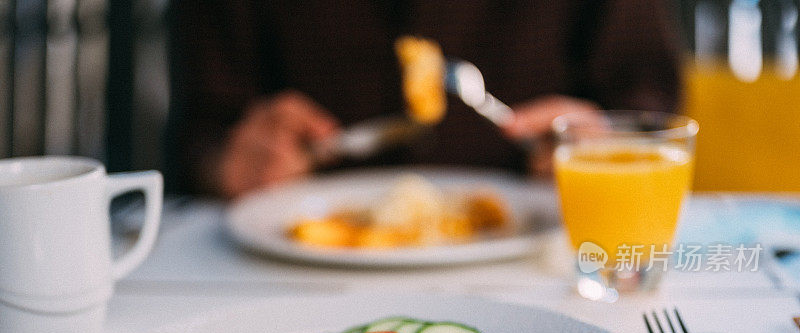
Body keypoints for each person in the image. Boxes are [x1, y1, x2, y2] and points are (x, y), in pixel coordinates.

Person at [166, 1, 682, 198]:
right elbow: (200, 134)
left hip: (541, 258)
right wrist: (230, 160)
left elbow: (651, 112)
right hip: (285, 266)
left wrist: (602, 143)